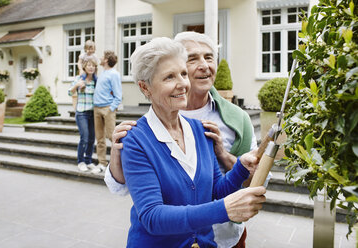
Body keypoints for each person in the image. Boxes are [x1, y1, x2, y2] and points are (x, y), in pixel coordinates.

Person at [105, 32, 263, 247]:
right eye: (169, 77)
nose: (182, 84)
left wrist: (241, 168)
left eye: (182, 74)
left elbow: (215, 191)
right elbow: (152, 216)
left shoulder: (200, 130)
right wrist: (224, 209)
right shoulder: (135, 140)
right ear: (145, 88)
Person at [90, 50, 122, 174]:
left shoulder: (114, 74)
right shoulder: (102, 73)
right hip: (97, 108)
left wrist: (111, 109)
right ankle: (102, 163)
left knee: (112, 136)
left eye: (102, 56)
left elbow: (118, 95)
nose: (100, 57)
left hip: (107, 109)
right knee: (100, 139)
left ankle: (121, 163)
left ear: (107, 60)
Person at [68, 55, 98, 172]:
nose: (91, 68)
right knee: (84, 138)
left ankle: (88, 161)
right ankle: (80, 161)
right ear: (85, 67)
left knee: (91, 138)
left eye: (93, 66)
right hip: (81, 113)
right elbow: (69, 93)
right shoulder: (79, 79)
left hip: (92, 113)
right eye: (89, 65)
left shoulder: (96, 81)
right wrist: (76, 86)